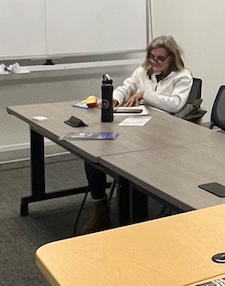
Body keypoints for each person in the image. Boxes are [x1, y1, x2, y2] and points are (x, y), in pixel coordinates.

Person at [81, 35, 193, 233]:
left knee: (130, 163)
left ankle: (136, 220)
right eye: (151, 57)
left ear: (172, 58)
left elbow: (176, 104)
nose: (154, 62)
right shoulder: (143, 72)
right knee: (94, 153)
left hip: (165, 134)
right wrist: (114, 100)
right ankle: (100, 207)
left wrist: (144, 95)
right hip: (137, 125)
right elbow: (125, 88)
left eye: (160, 58)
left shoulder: (182, 77)